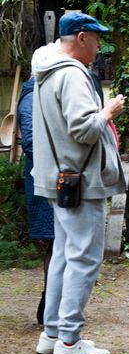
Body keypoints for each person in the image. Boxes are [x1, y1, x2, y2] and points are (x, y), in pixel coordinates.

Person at [32, 12, 126, 354]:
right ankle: (69, 340)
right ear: (82, 37)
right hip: (81, 180)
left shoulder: (45, 69)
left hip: (60, 177)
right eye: (97, 39)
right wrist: (108, 110)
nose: (99, 47)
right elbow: (84, 130)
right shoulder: (72, 74)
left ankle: (52, 334)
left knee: (63, 255)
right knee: (84, 258)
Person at [18, 74, 55, 325]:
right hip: (44, 182)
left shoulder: (44, 95)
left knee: (58, 245)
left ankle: (53, 303)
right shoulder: (32, 98)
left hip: (53, 180)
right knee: (53, 244)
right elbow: (31, 143)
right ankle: (49, 305)